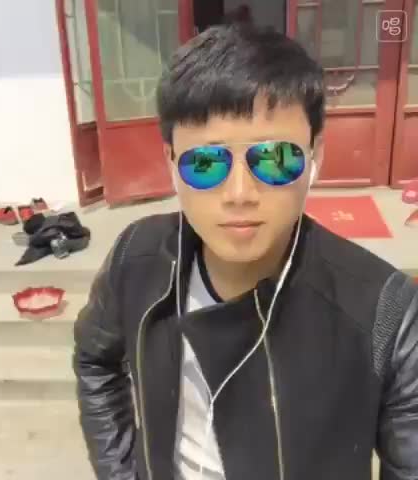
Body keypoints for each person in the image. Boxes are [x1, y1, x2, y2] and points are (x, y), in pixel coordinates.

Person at [74, 24, 418, 480]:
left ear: (315, 156)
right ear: (170, 162)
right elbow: (95, 361)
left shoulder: (385, 314)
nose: (239, 193)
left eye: (275, 159)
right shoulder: (136, 259)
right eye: (205, 162)